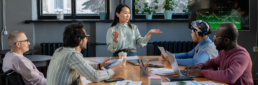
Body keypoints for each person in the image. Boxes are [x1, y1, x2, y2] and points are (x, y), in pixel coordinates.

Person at [46, 21, 122, 85]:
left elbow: (81, 65)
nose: (87, 39)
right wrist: (113, 70)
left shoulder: (59, 51)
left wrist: (98, 65)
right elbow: (94, 76)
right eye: (86, 37)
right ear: (80, 40)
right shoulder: (72, 55)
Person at [185, 23, 253, 85]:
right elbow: (213, 62)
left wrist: (201, 72)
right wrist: (200, 66)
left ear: (226, 40)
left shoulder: (241, 56)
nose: (214, 40)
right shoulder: (223, 51)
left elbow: (230, 77)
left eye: (216, 38)